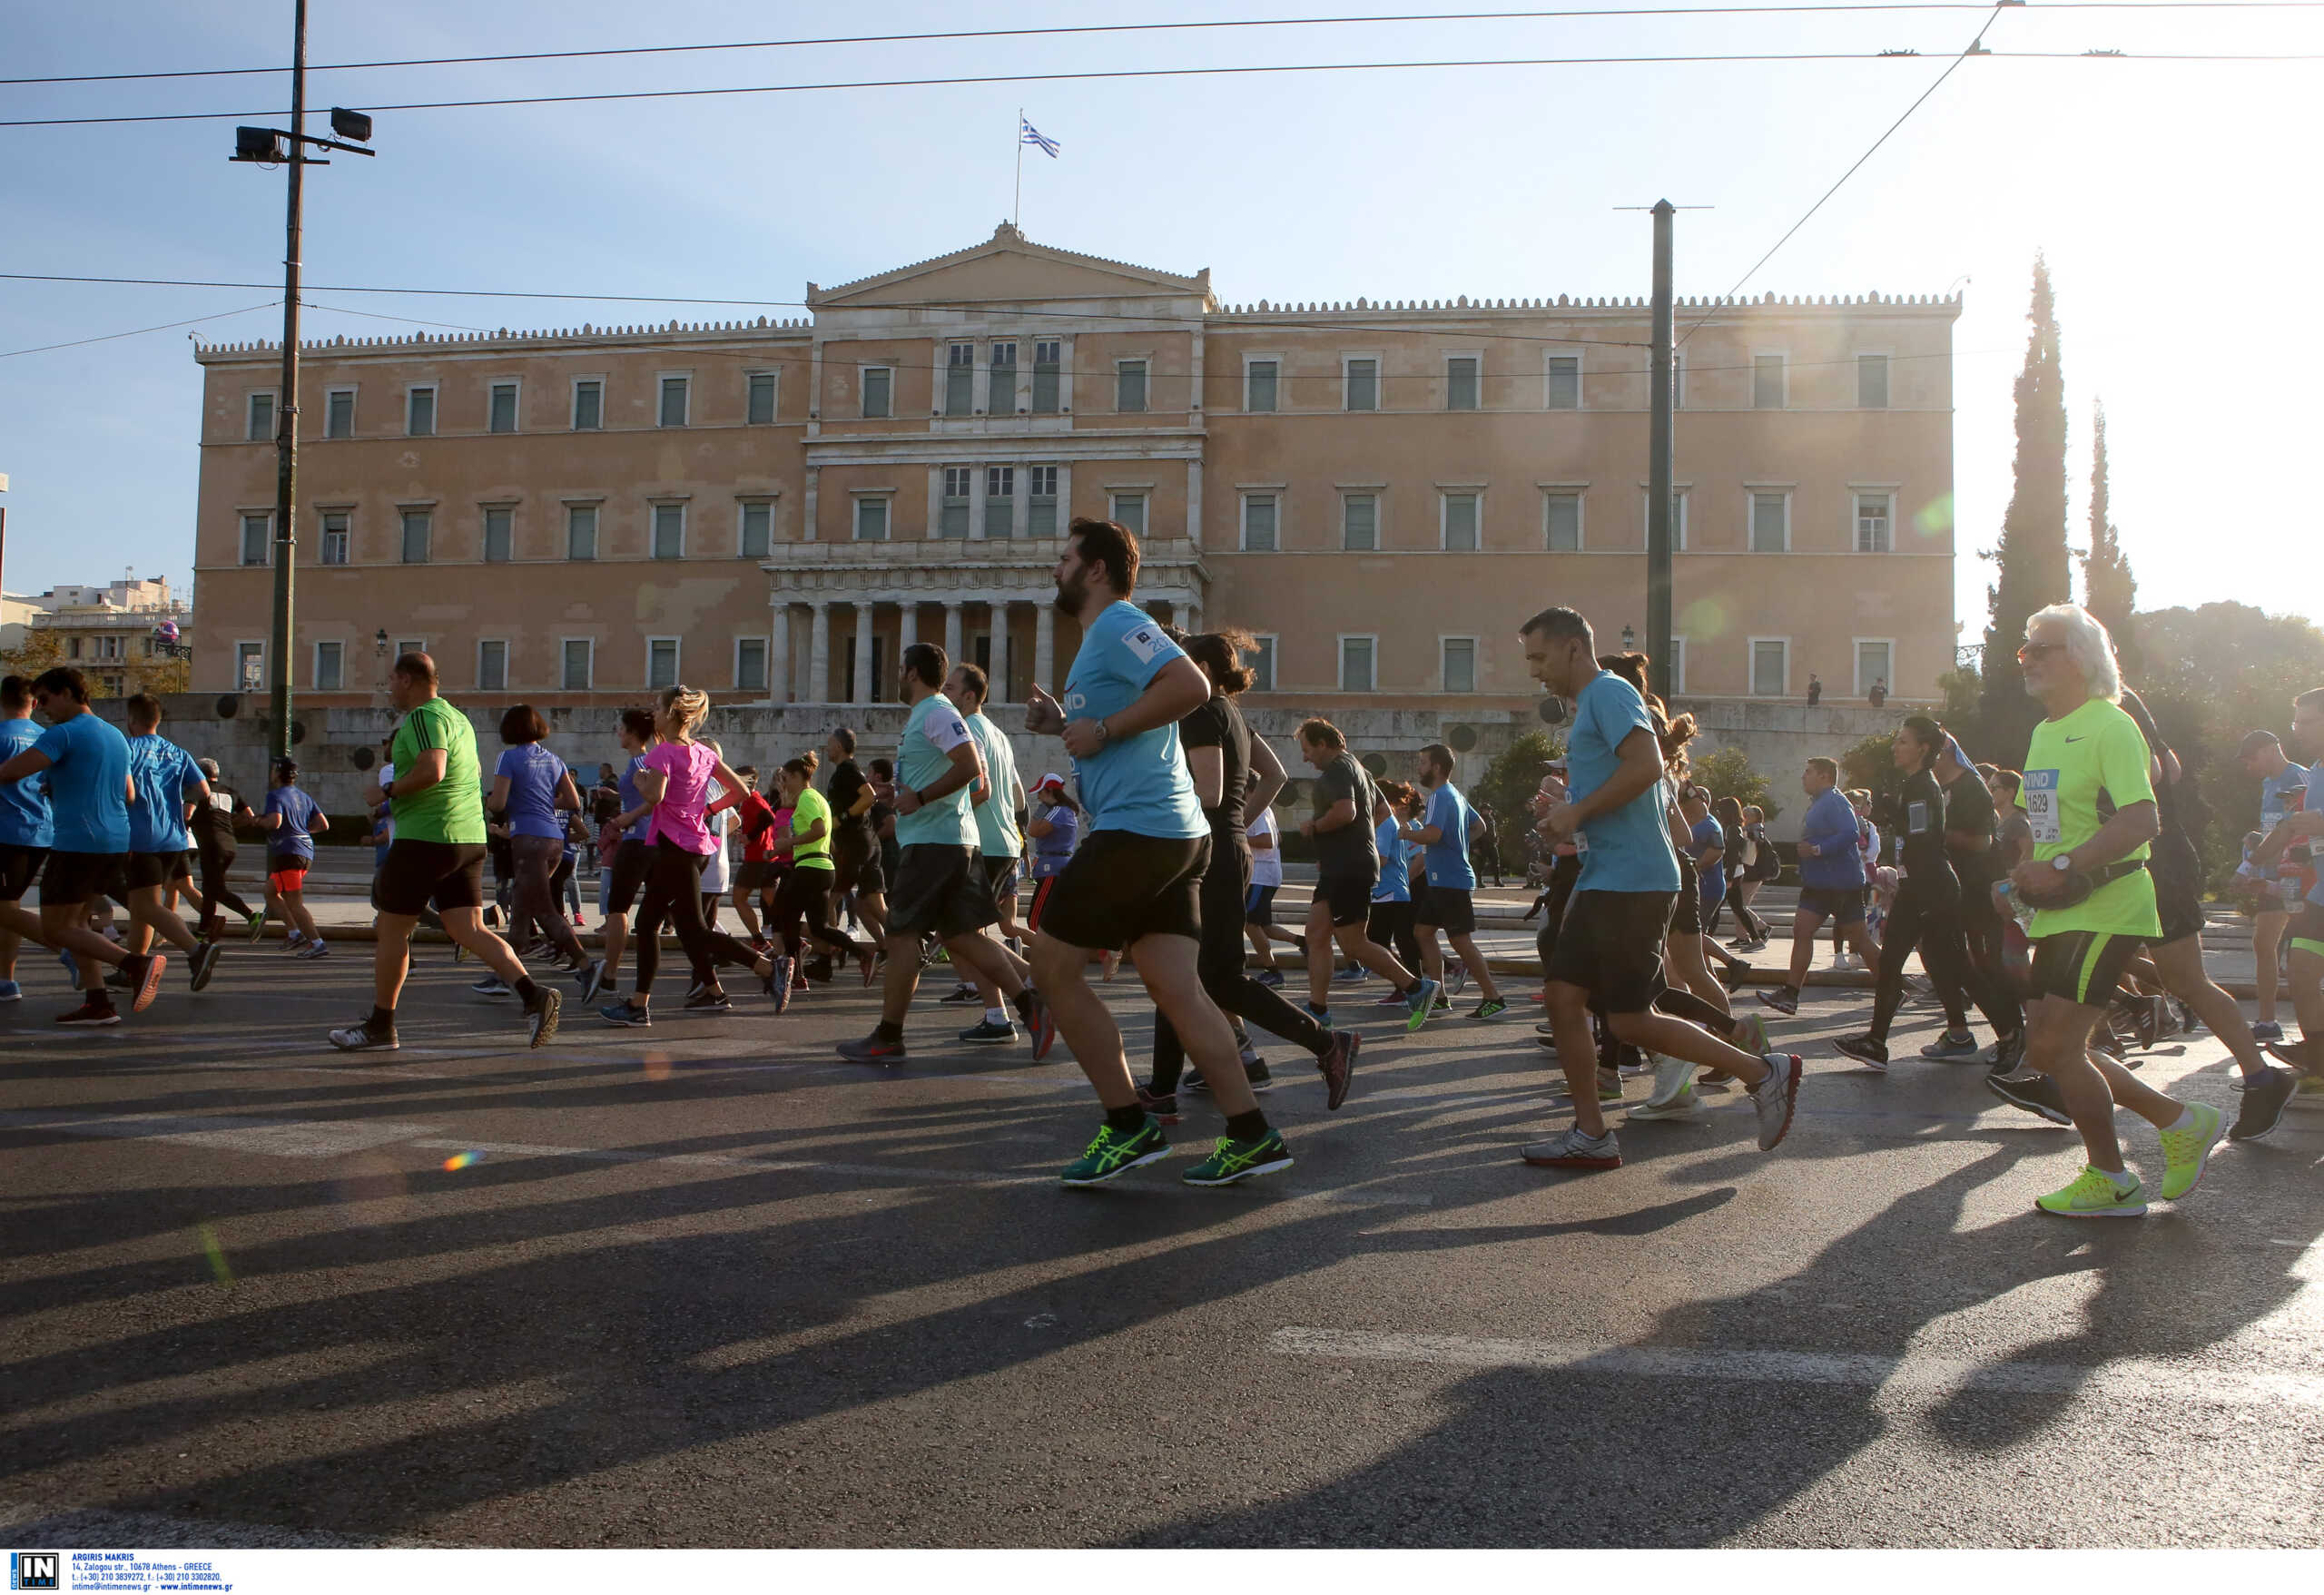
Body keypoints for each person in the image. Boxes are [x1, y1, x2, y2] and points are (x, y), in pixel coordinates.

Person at [1014, 521, 1296, 1186]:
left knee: (1051, 966)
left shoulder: (1119, 622)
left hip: (1142, 831)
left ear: (1096, 570)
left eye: (1065, 559)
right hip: (1169, 833)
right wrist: (1066, 725)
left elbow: (1191, 687)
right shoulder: (1103, 638)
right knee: (1179, 990)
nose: (1056, 568)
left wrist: (1105, 727)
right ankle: (1252, 1133)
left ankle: (1127, 1123)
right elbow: (1132, 724)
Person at [1515, 608, 1801, 1171]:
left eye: (1539, 657)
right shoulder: (1593, 705)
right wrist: (1569, 818)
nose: (1534, 671)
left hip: (1634, 881)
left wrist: (1577, 811)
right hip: (1611, 878)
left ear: (1574, 649)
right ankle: (1592, 1133)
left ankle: (1765, 1073)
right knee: (1568, 1000)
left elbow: (1646, 765)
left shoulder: (1609, 692)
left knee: (1628, 1019)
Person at [1977, 606, 2223, 1211]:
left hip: (2108, 904)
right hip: (2060, 907)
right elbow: (2052, 825)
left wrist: (2061, 868)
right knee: (2048, 1047)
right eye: (2024, 648)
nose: (2028, 658)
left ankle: (2114, 1175)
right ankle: (2176, 1121)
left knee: (2058, 1047)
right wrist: (2023, 871)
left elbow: (2143, 819)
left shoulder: (2112, 727)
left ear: (2082, 657)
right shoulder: (2044, 732)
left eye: (2042, 648)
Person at [1138, 626, 1361, 1117]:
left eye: (1183, 663)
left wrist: (1153, 808)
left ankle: (1326, 1043)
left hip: (1207, 853)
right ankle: (1161, 1085)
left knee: (1209, 975)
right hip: (1228, 848)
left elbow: (1210, 793)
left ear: (1204, 670)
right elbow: (1276, 775)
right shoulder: (1232, 714)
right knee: (1178, 971)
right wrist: (1239, 820)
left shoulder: (1198, 711)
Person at [328, 653, 558, 1050]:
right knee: (468, 929)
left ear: (407, 680)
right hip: (467, 838)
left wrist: (385, 792)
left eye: (391, 681)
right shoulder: (459, 719)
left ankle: (381, 1027)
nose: (389, 690)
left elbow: (433, 769)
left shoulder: (422, 718)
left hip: (426, 837)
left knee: (391, 929)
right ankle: (534, 996)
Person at [835, 645, 1044, 1063]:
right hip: (947, 839)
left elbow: (969, 769)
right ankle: (1031, 1006)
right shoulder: (933, 714)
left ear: (911, 672)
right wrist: (904, 794)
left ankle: (889, 1035)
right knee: (962, 935)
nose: (897, 676)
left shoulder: (936, 711)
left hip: (934, 842)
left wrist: (923, 798)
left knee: (901, 937)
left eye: (899, 669)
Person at [2109, 688, 2295, 1140]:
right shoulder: (2105, 706)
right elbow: (2171, 766)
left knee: (2187, 980)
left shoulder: (2111, 702)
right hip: (2132, 859)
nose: (2029, 662)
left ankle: (2259, 1079)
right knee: (2106, 970)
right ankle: (2063, 1068)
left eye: (2039, 650)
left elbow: (2158, 769)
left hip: (2151, 859)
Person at [1827, 717, 2017, 1071]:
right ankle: (1876, 1042)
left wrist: (1893, 819)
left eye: (1903, 741)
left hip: (1932, 887)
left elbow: (1925, 842)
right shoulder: (1916, 784)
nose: (1895, 747)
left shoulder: (1922, 787)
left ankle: (2010, 1035)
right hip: (1921, 885)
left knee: (1957, 965)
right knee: (1891, 963)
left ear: (1923, 749)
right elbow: (1919, 835)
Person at [594, 689, 783, 1026]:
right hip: (696, 849)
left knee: (672, 926)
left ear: (671, 713)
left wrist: (640, 779)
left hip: (673, 850)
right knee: (675, 925)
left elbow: (655, 795)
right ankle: (705, 991)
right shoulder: (703, 752)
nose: (654, 713)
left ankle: (768, 967)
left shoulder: (662, 753)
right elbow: (740, 790)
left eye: (657, 707)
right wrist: (708, 809)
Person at [0, 669, 171, 1023]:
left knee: (56, 929)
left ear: (66, 693)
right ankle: (98, 1002)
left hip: (77, 840)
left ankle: (135, 964)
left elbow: (10, 772)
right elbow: (128, 793)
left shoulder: (64, 733)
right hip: (114, 840)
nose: (42, 709)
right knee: (79, 925)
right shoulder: (115, 736)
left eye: (45, 699)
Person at [1295, 718, 1440, 1032]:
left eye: (1307, 750)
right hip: (1343, 866)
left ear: (1323, 744)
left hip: (1347, 869)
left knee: (1354, 943)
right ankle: (1318, 1007)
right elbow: (1382, 812)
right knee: (1316, 934)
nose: (1305, 758)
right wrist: (1358, 842)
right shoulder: (1359, 768)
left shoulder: (1337, 770)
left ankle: (1416, 987)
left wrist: (1315, 828)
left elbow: (1345, 812)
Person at [1918, 734, 2025, 1064]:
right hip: (1955, 890)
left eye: (1998, 787)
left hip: (1988, 893)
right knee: (1938, 955)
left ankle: (2017, 1034)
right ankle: (1961, 1031)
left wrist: (2016, 898)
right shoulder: (1940, 789)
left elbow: (1990, 847)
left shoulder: (1979, 793)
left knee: (1995, 965)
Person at [945, 663, 1036, 1044]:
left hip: (983, 842)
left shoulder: (968, 731)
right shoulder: (999, 734)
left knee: (966, 935)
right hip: (1005, 841)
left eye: (950, 688)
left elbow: (979, 789)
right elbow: (1016, 794)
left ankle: (1000, 1016)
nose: (944, 693)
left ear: (969, 695)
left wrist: (941, 805)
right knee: (972, 933)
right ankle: (1033, 984)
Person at [1762, 758, 1881, 1018]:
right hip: (1820, 884)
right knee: (1802, 930)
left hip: (1839, 883)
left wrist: (1817, 849)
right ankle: (1791, 993)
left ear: (1825, 776)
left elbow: (1851, 833)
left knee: (1858, 939)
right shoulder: (1820, 801)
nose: (1804, 777)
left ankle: (1891, 988)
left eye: (1809, 772)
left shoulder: (1836, 801)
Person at [2246, 687, 2324, 1083]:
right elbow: (2298, 830)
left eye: (2308, 722)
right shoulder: (2316, 773)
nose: (2299, 731)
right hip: (2320, 898)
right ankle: (2318, 1059)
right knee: (2300, 973)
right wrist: (2258, 861)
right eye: (2296, 722)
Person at [119, 695, 222, 990]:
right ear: (157, 720)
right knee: (143, 907)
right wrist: (176, 802)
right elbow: (203, 790)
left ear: (131, 719)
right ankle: (134, 966)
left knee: (145, 906)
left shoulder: (128, 748)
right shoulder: (176, 751)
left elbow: (123, 790)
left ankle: (196, 950)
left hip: (142, 837)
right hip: (174, 837)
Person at [488, 704, 595, 988]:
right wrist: (545, 801)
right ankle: (504, 976)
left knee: (544, 910)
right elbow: (572, 802)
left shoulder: (507, 758)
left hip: (527, 839)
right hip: (554, 841)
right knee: (521, 910)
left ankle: (586, 965)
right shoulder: (554, 759)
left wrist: (490, 802)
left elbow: (498, 803)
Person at [1404, 742, 1509, 1020]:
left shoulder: (1439, 795)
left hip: (1449, 880)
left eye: (1423, 762)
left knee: (1461, 942)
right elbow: (1479, 827)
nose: (1420, 767)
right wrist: (1459, 844)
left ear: (1436, 767)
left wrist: (1406, 834)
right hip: (1443, 880)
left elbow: (1432, 835)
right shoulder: (1457, 795)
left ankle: (1493, 997)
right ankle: (1439, 997)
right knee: (1422, 932)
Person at [759, 756, 878, 999]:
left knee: (784, 918)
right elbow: (826, 837)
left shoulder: (807, 798)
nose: (785, 784)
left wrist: (787, 843)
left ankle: (795, 975)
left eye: (787, 779)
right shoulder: (820, 799)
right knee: (819, 927)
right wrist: (778, 850)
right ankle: (862, 954)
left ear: (796, 777)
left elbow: (819, 831)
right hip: (822, 867)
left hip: (811, 867)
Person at [2238, 729, 2309, 1046]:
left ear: (2270, 749)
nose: (2249, 767)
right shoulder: (2268, 785)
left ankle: (2311, 1035)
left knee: (2304, 956)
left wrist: (2248, 866)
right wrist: (2255, 844)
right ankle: (2267, 1022)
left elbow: (2296, 830)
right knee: (2263, 943)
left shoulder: (2300, 779)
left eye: (2252, 759)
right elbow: (2272, 829)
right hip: (2272, 874)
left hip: (2297, 875)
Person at [588, 707, 658, 1007]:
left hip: (637, 841)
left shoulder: (642, 761)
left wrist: (626, 818)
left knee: (617, 909)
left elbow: (653, 801)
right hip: (646, 841)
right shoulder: (638, 762)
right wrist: (616, 799)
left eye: (620, 727)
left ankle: (611, 973)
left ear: (631, 733)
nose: (617, 731)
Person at [260, 757, 329, 959]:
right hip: (304, 851)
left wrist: (258, 821)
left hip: (287, 852)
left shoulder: (274, 796)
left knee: (294, 902)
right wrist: (302, 832)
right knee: (270, 891)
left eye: (273, 770)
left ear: (278, 773)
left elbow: (275, 822)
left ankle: (317, 942)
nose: (271, 773)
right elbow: (323, 824)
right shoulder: (304, 796)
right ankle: (294, 932)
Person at [186, 755, 259, 943]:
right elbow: (250, 817)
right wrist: (228, 826)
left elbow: (187, 814)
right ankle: (203, 932)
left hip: (211, 846)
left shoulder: (197, 790)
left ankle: (252, 916)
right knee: (210, 889)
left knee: (215, 890)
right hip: (229, 845)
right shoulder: (230, 791)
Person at [1368, 781, 1424, 980]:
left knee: (1376, 943)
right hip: (1388, 890)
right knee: (1386, 942)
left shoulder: (1385, 823)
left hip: (1389, 891)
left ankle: (1411, 984)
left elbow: (1381, 859)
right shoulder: (1387, 821)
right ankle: (1409, 985)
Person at [1024, 772, 1078, 935]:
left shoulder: (1058, 812)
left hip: (1051, 869)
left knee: (1035, 918)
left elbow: (1033, 831)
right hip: (1055, 867)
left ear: (1049, 791)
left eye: (1040, 793)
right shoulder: (1066, 811)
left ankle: (1042, 950)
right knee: (1051, 917)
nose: (1039, 798)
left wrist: (1040, 810)